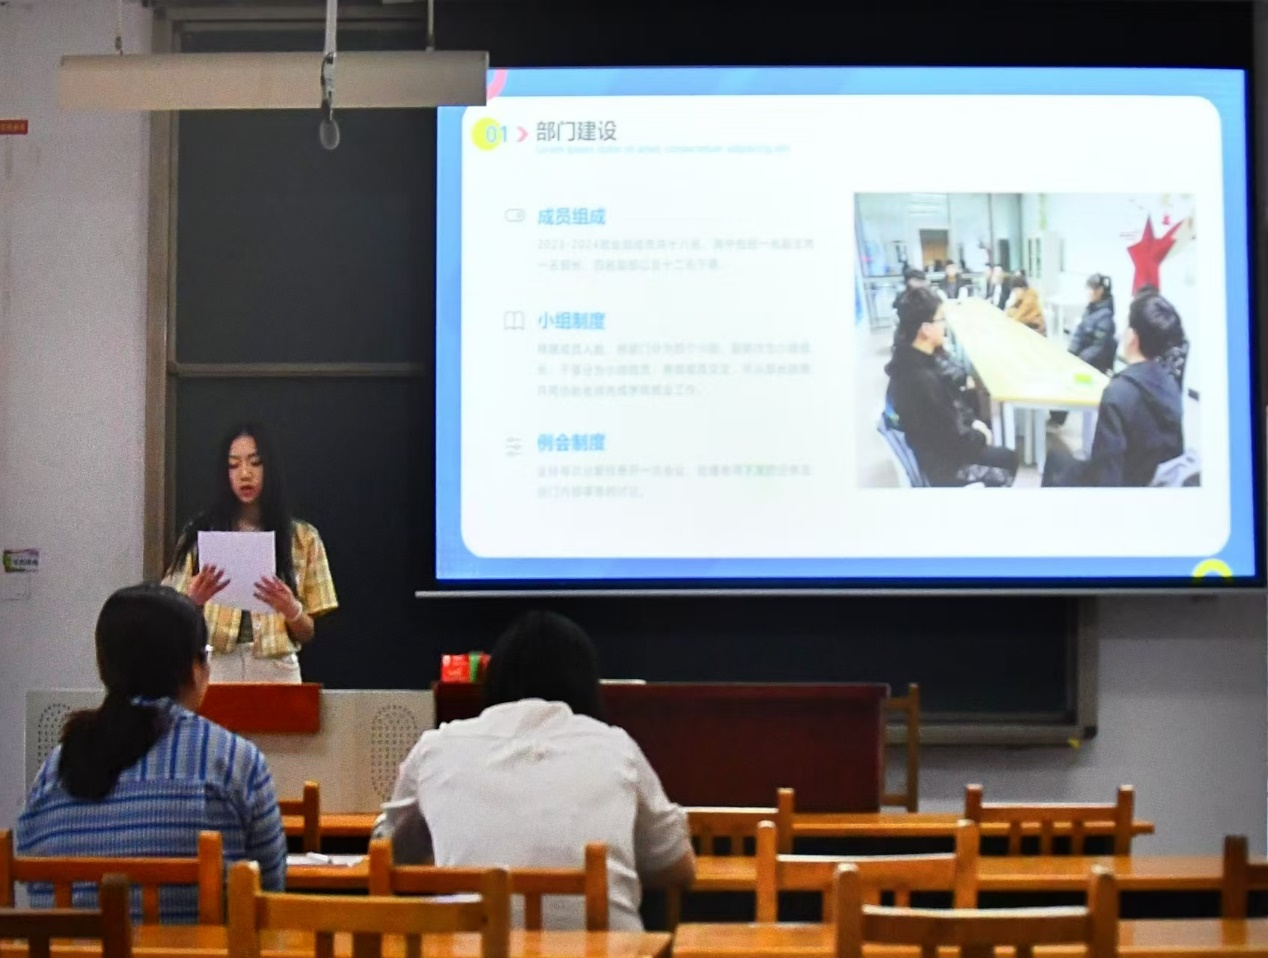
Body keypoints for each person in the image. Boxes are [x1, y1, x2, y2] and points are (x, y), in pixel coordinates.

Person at [386, 611, 695, 931]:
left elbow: (385, 852)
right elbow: (679, 867)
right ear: (587, 685)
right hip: (606, 949)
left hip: (470, 947)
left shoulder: (436, 747)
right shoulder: (616, 747)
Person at [16, 585, 287, 921]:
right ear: (194, 667)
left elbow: (32, 877)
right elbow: (270, 894)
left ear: (105, 667)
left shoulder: (57, 768)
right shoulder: (233, 761)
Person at [163, 422, 337, 683]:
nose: (245, 474)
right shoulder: (200, 533)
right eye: (234, 465)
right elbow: (171, 620)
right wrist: (193, 602)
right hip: (217, 664)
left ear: (270, 468)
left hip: (277, 667)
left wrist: (291, 609)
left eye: (255, 463)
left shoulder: (303, 538)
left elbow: (307, 633)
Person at [1043, 292, 1184, 487]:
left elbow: (1106, 475)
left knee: (1056, 459)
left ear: (1132, 337)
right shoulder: (1170, 384)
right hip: (1156, 484)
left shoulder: (1117, 394)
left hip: (1122, 488)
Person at [886, 287, 1018, 487]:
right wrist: (981, 436)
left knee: (1000, 451)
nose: (945, 325)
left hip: (936, 452)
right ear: (926, 329)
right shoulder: (922, 380)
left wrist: (972, 422)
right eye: (941, 319)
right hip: (945, 468)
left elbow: (949, 413)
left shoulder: (911, 362)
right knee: (1008, 460)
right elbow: (953, 441)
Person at [1051, 274, 1119, 427]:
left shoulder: (1105, 317)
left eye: (1091, 289)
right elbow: (1078, 335)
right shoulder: (1091, 310)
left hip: (1093, 371)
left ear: (1100, 291)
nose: (1088, 292)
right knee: (1059, 370)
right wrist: (1069, 354)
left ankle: (1057, 419)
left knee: (1067, 379)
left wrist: (1078, 361)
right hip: (1084, 362)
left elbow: (1097, 348)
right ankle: (1056, 416)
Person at [1005, 271, 1046, 335]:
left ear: (1023, 288)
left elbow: (1017, 317)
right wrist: (1013, 312)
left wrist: (1013, 313)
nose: (1015, 293)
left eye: (1016, 291)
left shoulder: (1030, 296)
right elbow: (1009, 310)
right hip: (1027, 326)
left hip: (1036, 329)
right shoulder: (1021, 297)